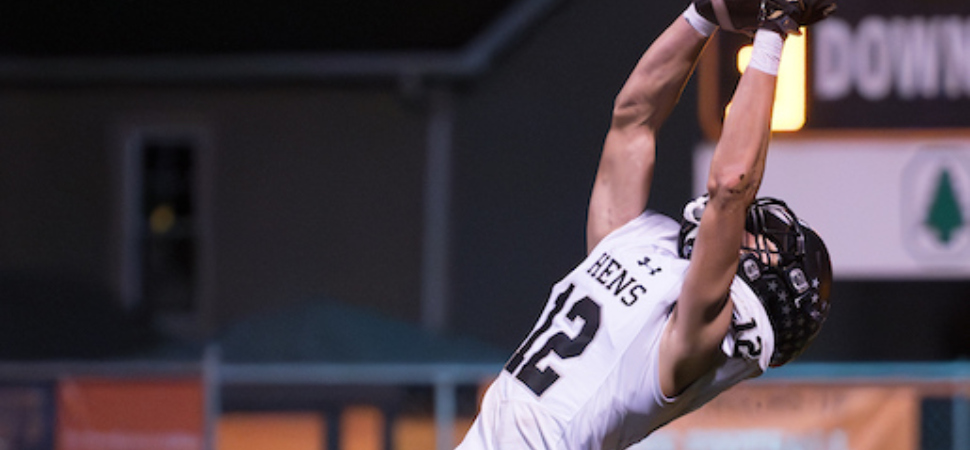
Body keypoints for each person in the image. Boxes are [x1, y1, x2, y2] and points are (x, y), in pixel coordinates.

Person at [456, 0, 837, 448]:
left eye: (765, 240)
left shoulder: (704, 334)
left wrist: (774, 30)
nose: (751, 229)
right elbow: (632, 117)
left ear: (775, 292)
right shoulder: (640, 244)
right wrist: (701, 16)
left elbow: (732, 185)